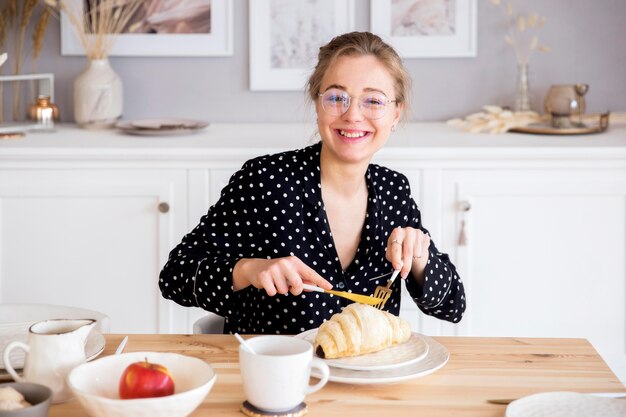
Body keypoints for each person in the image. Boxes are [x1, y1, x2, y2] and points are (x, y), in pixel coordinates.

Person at [159, 31, 466, 334]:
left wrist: (420, 260)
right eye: (336, 97)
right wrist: (249, 270)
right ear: (317, 103)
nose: (353, 115)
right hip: (276, 378)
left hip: (368, 379)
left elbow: (453, 305)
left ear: (396, 114)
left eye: (373, 101)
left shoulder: (393, 191)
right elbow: (175, 276)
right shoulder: (265, 182)